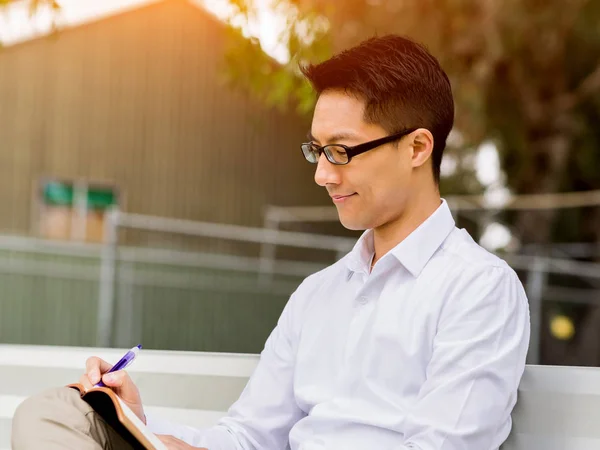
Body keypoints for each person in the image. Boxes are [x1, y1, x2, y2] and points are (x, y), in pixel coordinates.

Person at [12, 34, 530, 450]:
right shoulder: (318, 295)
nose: (323, 175)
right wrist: (137, 425)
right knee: (54, 413)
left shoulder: (479, 290)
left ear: (418, 147)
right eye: (317, 151)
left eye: (341, 152)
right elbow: (246, 436)